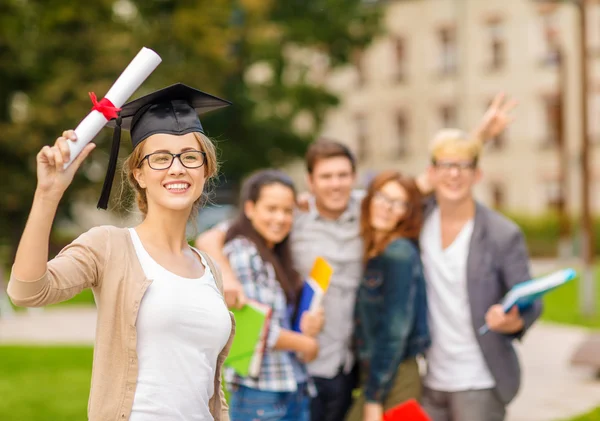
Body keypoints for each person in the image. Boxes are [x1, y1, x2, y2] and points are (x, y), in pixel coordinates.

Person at [197, 93, 518, 421]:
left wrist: (480, 137)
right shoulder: (293, 216)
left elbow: (424, 183)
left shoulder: (371, 208)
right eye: (326, 177)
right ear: (311, 182)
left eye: (342, 176)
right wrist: (230, 277)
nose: (335, 184)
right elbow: (213, 236)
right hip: (304, 367)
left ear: (353, 178)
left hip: (349, 366)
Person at [7, 83, 236, 421]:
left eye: (190, 156)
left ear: (206, 169)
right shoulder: (110, 246)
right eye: (160, 158)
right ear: (138, 173)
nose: (177, 168)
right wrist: (47, 194)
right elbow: (27, 291)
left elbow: (206, 382)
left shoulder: (208, 269)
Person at [419, 129, 542, 421]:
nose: (454, 174)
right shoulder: (419, 220)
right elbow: (379, 201)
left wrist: (512, 320)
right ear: (432, 173)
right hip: (430, 376)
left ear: (477, 175)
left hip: (479, 379)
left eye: (463, 166)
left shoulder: (502, 233)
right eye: (446, 165)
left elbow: (531, 302)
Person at [223, 169, 324, 421]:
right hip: (261, 394)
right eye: (271, 208)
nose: (280, 218)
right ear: (250, 208)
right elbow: (254, 326)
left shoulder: (277, 254)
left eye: (287, 210)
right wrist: (307, 344)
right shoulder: (243, 253)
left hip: (293, 387)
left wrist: (310, 324)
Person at [345, 170, 430, 421]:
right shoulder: (374, 249)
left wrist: (373, 397)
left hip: (394, 376)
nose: (387, 207)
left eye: (399, 203)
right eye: (382, 197)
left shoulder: (398, 253)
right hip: (380, 373)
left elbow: (395, 330)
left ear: (408, 212)